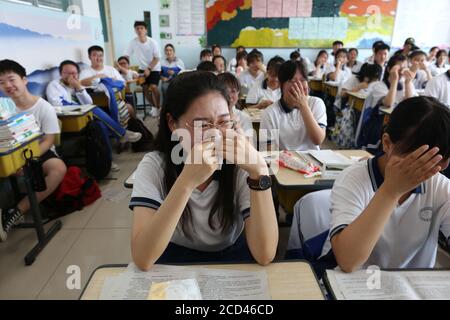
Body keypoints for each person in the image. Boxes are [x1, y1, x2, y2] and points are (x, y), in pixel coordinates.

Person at [130, 71, 278, 270]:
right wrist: (186, 182)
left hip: (231, 256)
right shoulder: (155, 165)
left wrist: (259, 170)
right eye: (202, 125)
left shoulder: (240, 165)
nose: (216, 134)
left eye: (224, 122)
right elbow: (143, 258)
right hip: (171, 257)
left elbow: (265, 254)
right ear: (173, 123)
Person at [328, 96, 450, 272]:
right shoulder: (354, 179)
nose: (427, 170)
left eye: (438, 161)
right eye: (416, 160)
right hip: (359, 285)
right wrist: (390, 192)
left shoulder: (440, 187)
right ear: (387, 143)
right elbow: (348, 261)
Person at [0, 60, 67, 241]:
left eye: (11, 79)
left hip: (39, 151)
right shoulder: (4, 108)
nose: (8, 85)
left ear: (24, 80)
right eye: (1, 82)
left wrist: (24, 162)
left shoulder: (43, 107)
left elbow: (49, 139)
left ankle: (14, 212)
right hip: (9, 152)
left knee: (58, 168)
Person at [46, 60, 142, 145]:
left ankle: (106, 162)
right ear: (61, 74)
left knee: (101, 126)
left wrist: (78, 88)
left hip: (83, 115)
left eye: (74, 73)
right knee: (94, 109)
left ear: (78, 74)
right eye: (67, 73)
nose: (71, 76)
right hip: (67, 118)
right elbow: (57, 104)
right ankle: (122, 134)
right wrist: (81, 107)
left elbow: (88, 102)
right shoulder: (54, 85)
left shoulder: (76, 83)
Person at [260, 60, 327, 151]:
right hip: (284, 162)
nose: (298, 86)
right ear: (280, 85)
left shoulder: (316, 103)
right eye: (292, 81)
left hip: (312, 163)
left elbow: (318, 140)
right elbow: (268, 151)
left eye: (303, 80)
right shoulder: (269, 113)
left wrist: (303, 106)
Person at [124, 21, 162, 113]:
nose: (139, 30)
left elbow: (157, 58)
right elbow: (126, 55)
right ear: (135, 30)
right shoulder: (133, 42)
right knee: (144, 88)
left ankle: (158, 107)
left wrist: (149, 68)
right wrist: (126, 67)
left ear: (145, 30)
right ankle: (154, 106)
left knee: (153, 87)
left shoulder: (153, 42)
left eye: (142, 28)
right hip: (142, 68)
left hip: (154, 68)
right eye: (137, 28)